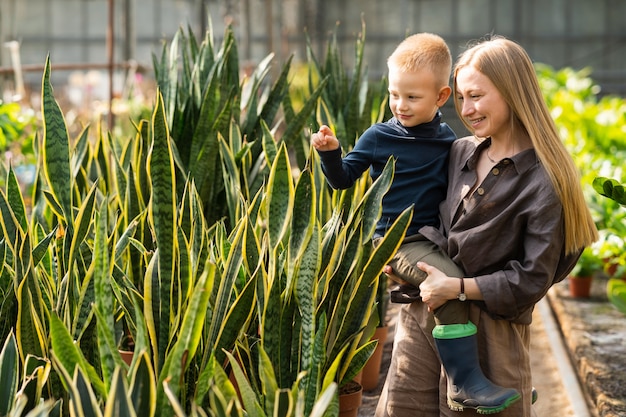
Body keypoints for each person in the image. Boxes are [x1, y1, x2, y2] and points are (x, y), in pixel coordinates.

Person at [375, 35, 599, 417]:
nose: (466, 109)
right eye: (461, 97)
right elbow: (419, 216)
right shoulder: (460, 151)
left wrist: (458, 287)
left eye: (476, 96)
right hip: (423, 319)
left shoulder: (545, 181)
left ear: (513, 92)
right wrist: (395, 256)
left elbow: (533, 279)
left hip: (492, 337)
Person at [311, 33, 520, 412]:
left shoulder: (447, 140)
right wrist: (330, 154)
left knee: (473, 284)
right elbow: (343, 179)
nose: (399, 106)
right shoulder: (378, 136)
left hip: (431, 237)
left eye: (412, 97)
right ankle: (465, 384)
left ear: (441, 97)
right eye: (394, 94)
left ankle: (490, 378)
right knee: (450, 286)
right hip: (396, 240)